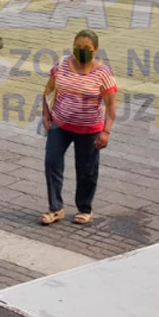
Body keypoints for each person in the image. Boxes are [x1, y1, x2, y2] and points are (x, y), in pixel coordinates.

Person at [39, 29, 118, 227]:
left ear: (96, 50)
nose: (82, 51)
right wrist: (46, 113)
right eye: (78, 47)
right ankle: (55, 208)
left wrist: (106, 132)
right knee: (52, 161)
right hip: (60, 125)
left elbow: (111, 107)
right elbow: (48, 90)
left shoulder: (103, 73)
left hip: (89, 130)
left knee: (86, 170)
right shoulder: (62, 64)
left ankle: (85, 209)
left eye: (87, 48)